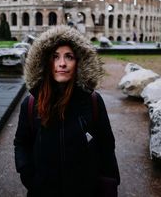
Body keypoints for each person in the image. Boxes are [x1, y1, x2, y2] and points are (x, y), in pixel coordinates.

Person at [14, 25, 120, 197]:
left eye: (69, 57)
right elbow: (21, 143)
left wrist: (110, 183)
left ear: (79, 61)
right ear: (45, 61)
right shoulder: (31, 103)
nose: (61, 63)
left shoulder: (92, 101)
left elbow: (107, 146)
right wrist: (29, 176)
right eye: (55, 57)